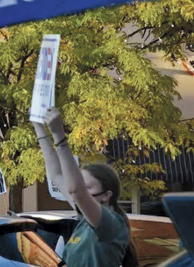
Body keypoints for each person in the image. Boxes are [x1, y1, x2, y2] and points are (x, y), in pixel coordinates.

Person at [33, 107, 138, 267]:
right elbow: (56, 174)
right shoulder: (85, 219)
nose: (81, 191)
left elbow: (76, 189)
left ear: (106, 195)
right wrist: (39, 127)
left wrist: (59, 135)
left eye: (87, 187)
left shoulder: (110, 223)